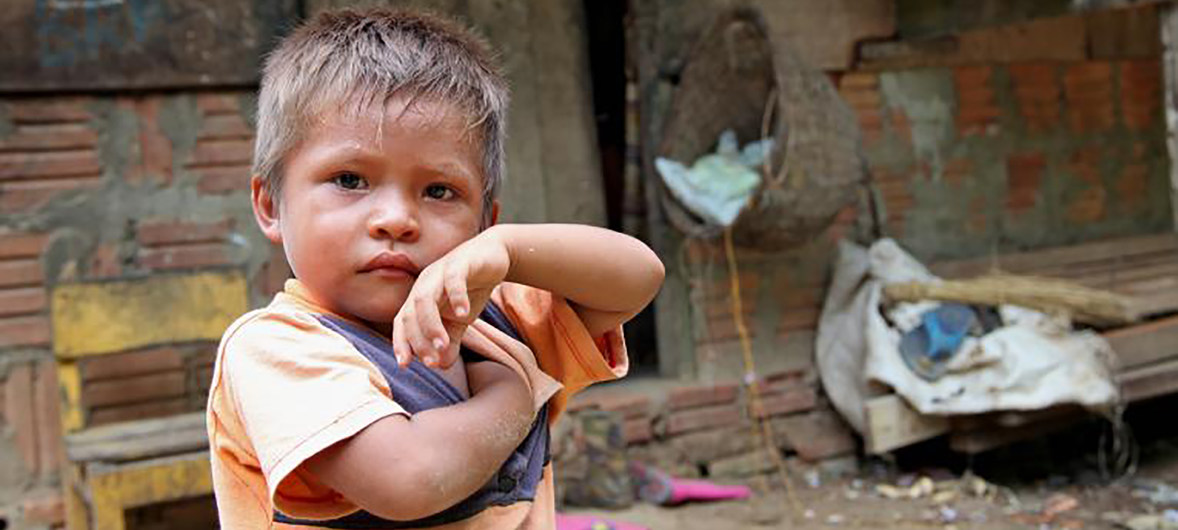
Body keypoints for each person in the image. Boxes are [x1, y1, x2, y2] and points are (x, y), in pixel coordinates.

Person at [204, 8, 664, 529]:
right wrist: (514, 392)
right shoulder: (276, 347)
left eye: (439, 191)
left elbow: (638, 277)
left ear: (482, 222)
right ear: (269, 204)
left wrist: (509, 250)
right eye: (350, 179)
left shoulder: (495, 317)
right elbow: (410, 480)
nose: (397, 219)